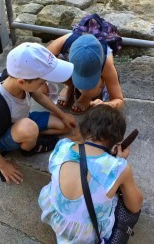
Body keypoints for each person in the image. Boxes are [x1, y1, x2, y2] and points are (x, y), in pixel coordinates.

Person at [38, 104, 143, 243]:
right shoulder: (118, 167)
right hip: (85, 235)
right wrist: (118, 162)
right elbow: (135, 205)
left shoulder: (63, 146)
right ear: (117, 141)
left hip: (55, 214)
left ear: (83, 129)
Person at [0, 42, 78, 185]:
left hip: (24, 121)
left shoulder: (21, 80)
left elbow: (40, 96)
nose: (44, 85)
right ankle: (29, 148)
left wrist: (63, 115)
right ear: (22, 82)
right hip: (5, 135)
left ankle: (30, 137)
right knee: (29, 128)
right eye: (41, 82)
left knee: (64, 126)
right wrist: (3, 165)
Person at [47, 33, 123, 114]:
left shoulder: (106, 63)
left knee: (88, 91)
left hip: (95, 79)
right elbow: (41, 65)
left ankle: (87, 96)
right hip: (69, 65)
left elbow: (119, 99)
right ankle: (69, 86)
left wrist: (107, 105)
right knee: (54, 68)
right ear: (69, 55)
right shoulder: (62, 43)